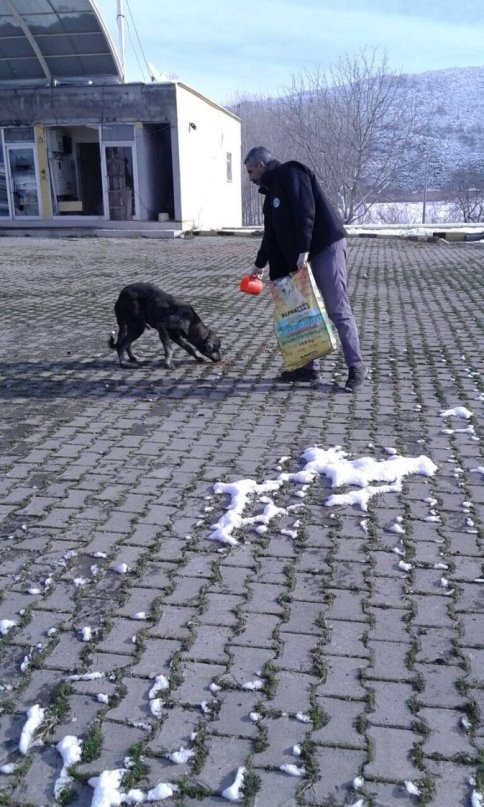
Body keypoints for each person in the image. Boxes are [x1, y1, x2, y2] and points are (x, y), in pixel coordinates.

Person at [245, 145, 367, 393]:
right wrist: (259, 265)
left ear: (260, 165)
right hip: (302, 255)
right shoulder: (270, 196)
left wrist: (303, 250)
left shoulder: (292, 172)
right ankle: (307, 367)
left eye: (250, 171)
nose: (249, 177)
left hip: (325, 246)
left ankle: (356, 367)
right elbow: (271, 235)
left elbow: (305, 211)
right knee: (300, 311)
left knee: (337, 308)